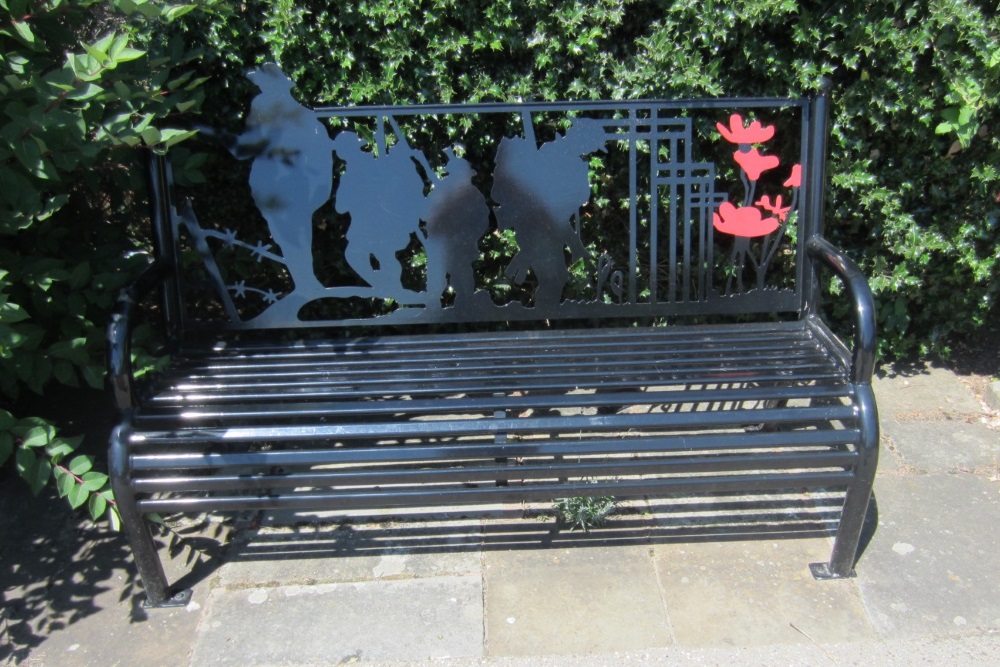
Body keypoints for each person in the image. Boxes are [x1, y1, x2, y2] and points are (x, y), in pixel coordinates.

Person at [237, 63, 333, 296]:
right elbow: (249, 141)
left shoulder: (306, 118)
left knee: (297, 231)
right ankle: (303, 282)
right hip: (267, 181)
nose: (261, 88)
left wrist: (318, 187)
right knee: (282, 233)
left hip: (294, 182)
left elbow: (319, 155)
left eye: (265, 84)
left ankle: (307, 282)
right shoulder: (259, 106)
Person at [491, 117, 607, 308]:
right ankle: (540, 324)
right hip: (538, 225)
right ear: (582, 139)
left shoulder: (568, 159)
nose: (591, 150)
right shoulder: (553, 153)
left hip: (550, 226)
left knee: (554, 277)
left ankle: (541, 317)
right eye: (591, 145)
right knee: (554, 278)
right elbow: (543, 196)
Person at [331, 131, 428, 298]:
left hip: (382, 221)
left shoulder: (378, 165)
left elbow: (393, 188)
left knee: (384, 254)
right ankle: (382, 285)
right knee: (355, 254)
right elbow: (340, 207)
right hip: (362, 225)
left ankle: (393, 289)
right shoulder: (349, 177)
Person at [422, 149, 490, 307]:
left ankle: (466, 302)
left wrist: (468, 236)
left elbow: (482, 220)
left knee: (462, 275)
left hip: (462, 245)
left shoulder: (473, 195)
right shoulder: (442, 192)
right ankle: (434, 306)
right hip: (441, 244)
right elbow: (427, 214)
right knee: (437, 276)